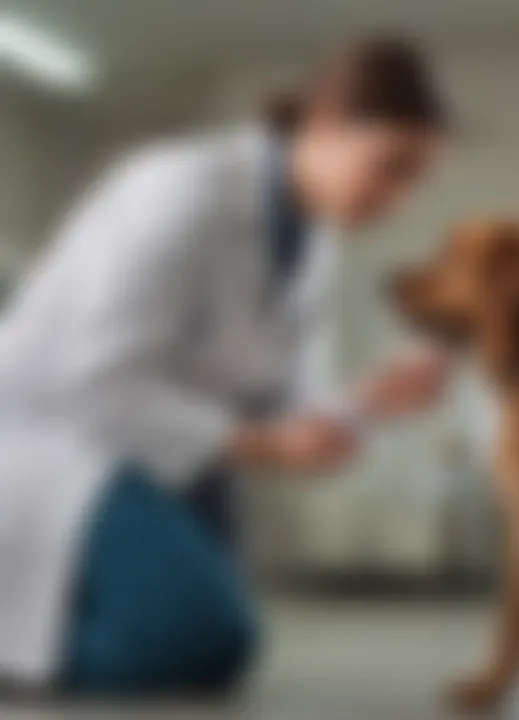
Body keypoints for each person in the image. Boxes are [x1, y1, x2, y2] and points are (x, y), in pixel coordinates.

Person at [0, 37, 451, 696]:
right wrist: (260, 443)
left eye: (412, 179)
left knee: (208, 644)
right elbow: (92, 382)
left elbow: (292, 405)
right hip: (54, 442)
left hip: (161, 455)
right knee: (204, 636)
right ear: (324, 123)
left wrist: (368, 404)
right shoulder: (181, 189)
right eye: (389, 166)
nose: (396, 200)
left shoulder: (314, 241)